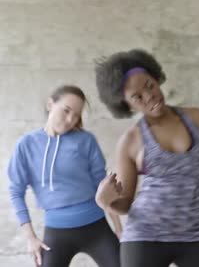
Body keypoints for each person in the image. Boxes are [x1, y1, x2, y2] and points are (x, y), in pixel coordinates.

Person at [93, 49, 199, 267]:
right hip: (146, 236)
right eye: (137, 97)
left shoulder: (198, 118)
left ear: (156, 78)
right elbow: (125, 205)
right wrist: (106, 202)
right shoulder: (131, 140)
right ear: (127, 105)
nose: (150, 97)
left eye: (150, 85)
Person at [7, 85, 121, 267]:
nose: (70, 120)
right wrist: (31, 238)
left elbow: (105, 186)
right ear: (50, 104)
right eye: (66, 111)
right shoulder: (26, 145)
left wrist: (119, 229)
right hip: (56, 233)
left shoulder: (86, 140)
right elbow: (15, 192)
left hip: (98, 228)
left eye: (76, 115)